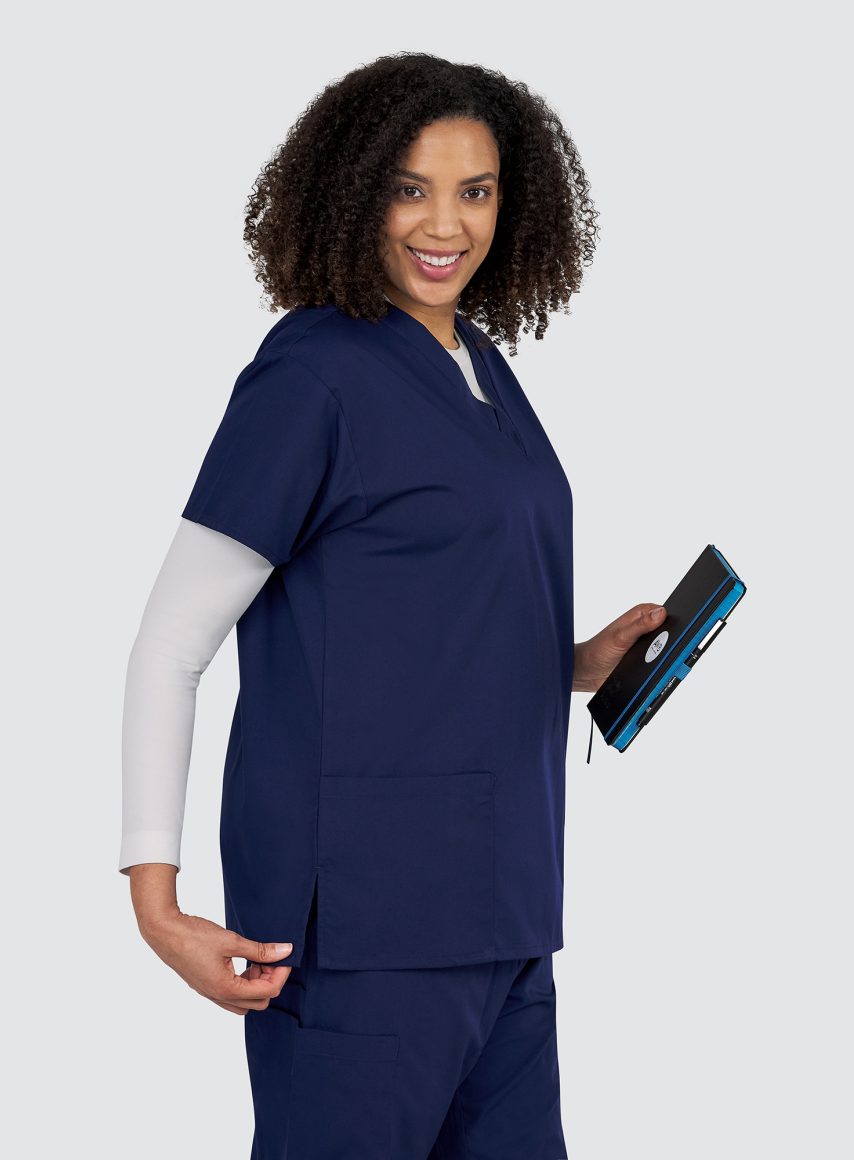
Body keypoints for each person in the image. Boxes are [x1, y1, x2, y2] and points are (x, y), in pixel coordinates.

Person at [120, 51, 667, 1159]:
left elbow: (418, 616)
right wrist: (156, 899)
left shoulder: (479, 363)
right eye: (410, 188)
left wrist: (575, 662)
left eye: (477, 191)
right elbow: (171, 645)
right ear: (353, 191)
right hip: (363, 928)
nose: (445, 224)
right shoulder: (313, 375)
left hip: (508, 907)